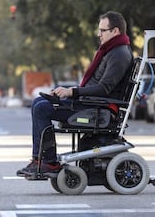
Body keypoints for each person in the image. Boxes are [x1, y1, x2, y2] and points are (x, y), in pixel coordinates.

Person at [17, 11, 133, 176]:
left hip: (99, 110)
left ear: (115, 31)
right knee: (38, 102)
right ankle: (39, 159)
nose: (99, 34)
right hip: (90, 103)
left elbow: (104, 88)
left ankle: (48, 162)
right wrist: (66, 92)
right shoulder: (111, 51)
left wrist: (72, 92)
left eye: (102, 30)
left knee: (41, 108)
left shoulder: (119, 54)